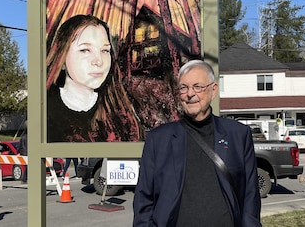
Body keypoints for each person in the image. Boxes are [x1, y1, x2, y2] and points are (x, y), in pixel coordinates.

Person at [133, 60, 261, 227]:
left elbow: (250, 195)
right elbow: (144, 199)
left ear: (213, 90)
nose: (190, 93)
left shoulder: (238, 135)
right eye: (183, 87)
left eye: (197, 86)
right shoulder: (158, 140)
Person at [46, 14, 142, 142]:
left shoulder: (121, 111)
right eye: (85, 50)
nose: (99, 61)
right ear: (62, 58)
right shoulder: (45, 110)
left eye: (105, 51)